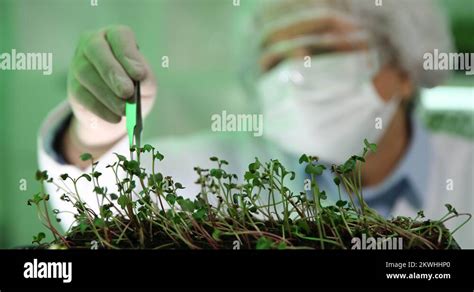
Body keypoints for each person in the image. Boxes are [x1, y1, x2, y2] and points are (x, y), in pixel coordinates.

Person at [38, 0, 473, 248]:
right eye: (271, 59)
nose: (292, 75)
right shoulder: (209, 172)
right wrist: (97, 127)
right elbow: (99, 205)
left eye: (320, 49)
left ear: (402, 65)